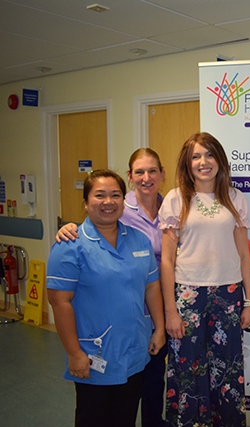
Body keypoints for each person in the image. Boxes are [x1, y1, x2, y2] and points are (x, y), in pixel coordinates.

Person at [56, 149, 170, 427]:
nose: (108, 202)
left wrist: (159, 327)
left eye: (114, 196)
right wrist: (74, 354)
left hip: (136, 345)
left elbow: (151, 286)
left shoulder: (141, 238)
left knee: (128, 413)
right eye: (99, 195)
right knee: (93, 416)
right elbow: (60, 303)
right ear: (85, 202)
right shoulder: (70, 246)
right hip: (95, 351)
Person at [159, 132, 250, 426]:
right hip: (188, 294)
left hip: (228, 294)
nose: (203, 162)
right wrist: (170, 311)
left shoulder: (235, 198)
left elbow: (244, 256)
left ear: (220, 160)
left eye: (209, 155)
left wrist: (249, 301)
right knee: (187, 368)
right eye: (196, 157)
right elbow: (166, 260)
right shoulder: (176, 199)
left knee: (226, 369)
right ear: (187, 164)